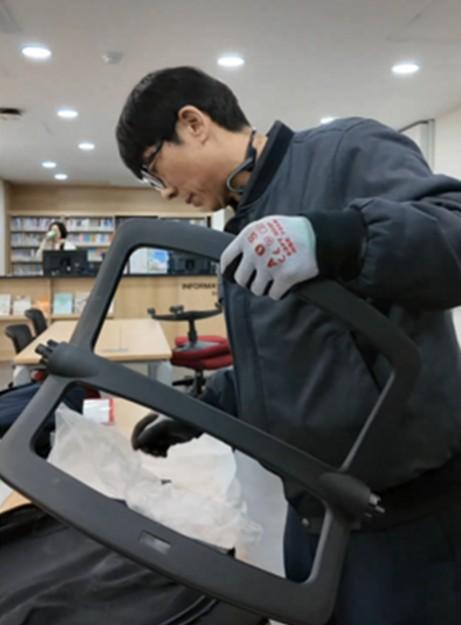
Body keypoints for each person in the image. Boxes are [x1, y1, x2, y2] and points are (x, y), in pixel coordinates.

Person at [116, 66, 461, 625]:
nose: (170, 193)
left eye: (155, 171)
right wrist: (206, 407)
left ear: (194, 123)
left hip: (403, 515)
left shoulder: (345, 151)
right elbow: (288, 355)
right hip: (313, 513)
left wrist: (342, 237)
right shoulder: (241, 227)